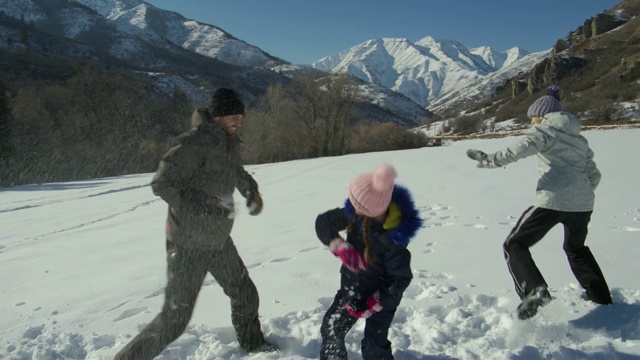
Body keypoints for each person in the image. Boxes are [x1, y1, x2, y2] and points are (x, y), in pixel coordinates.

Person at [114, 88, 275, 360]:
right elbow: (162, 183)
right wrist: (201, 206)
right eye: (234, 116)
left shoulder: (227, 142)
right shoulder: (193, 143)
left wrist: (251, 190)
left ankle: (254, 346)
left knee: (245, 294)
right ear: (217, 117)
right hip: (188, 243)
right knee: (174, 320)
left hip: (218, 240)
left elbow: (234, 169)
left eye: (241, 116)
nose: (239, 121)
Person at [466, 86, 613, 320]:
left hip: (552, 199)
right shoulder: (579, 140)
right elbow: (594, 175)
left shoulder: (543, 131)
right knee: (576, 249)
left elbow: (518, 150)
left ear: (542, 115)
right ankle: (601, 298)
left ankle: (535, 292)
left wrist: (487, 160)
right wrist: (578, 194)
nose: (530, 122)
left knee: (514, 245)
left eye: (532, 117)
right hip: (583, 205)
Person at [315, 163, 423, 359]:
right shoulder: (356, 213)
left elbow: (399, 279)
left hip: (381, 298)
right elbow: (324, 222)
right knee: (332, 328)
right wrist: (338, 244)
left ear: (372, 210)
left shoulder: (392, 239)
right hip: (352, 289)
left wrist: (373, 303)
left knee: (374, 346)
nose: (350, 209)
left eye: (356, 206)